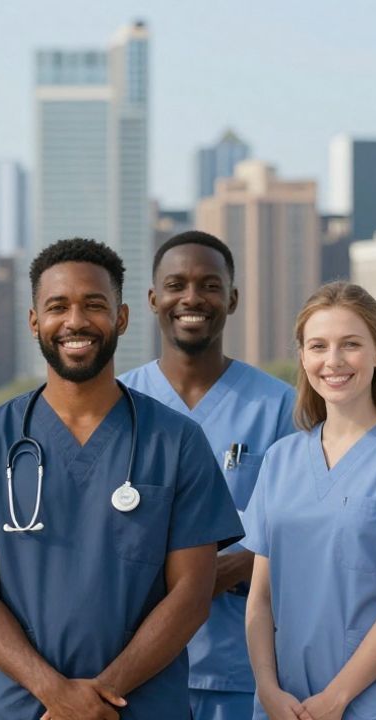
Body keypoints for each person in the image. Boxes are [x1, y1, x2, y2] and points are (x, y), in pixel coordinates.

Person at [0, 237, 242, 720]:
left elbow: (191, 596)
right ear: (35, 322)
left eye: (94, 305)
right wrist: (55, 694)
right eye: (57, 307)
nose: (75, 321)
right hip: (23, 708)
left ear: (122, 318)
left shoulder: (176, 441)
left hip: (142, 707)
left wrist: (100, 696)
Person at [118, 231, 295, 720]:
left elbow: (298, 527)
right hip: (135, 668)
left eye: (210, 285)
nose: (192, 298)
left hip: (242, 669)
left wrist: (225, 571)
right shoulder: (118, 405)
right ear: (153, 299)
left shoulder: (280, 406)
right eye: (176, 284)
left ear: (232, 299)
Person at [242, 282, 376, 720]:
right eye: (318, 346)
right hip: (282, 706)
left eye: (351, 344)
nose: (333, 361)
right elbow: (259, 598)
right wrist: (268, 690)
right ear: (303, 356)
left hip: (373, 705)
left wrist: (337, 697)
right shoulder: (281, 459)